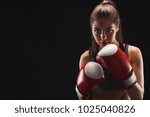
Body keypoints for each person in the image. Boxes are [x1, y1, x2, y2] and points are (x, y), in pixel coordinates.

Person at [75, 0, 144, 100]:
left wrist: (127, 77)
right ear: (91, 29)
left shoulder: (132, 53)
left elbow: (139, 98)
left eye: (109, 30)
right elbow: (84, 104)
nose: (103, 36)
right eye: (97, 31)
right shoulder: (86, 57)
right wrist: (81, 91)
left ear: (117, 27)